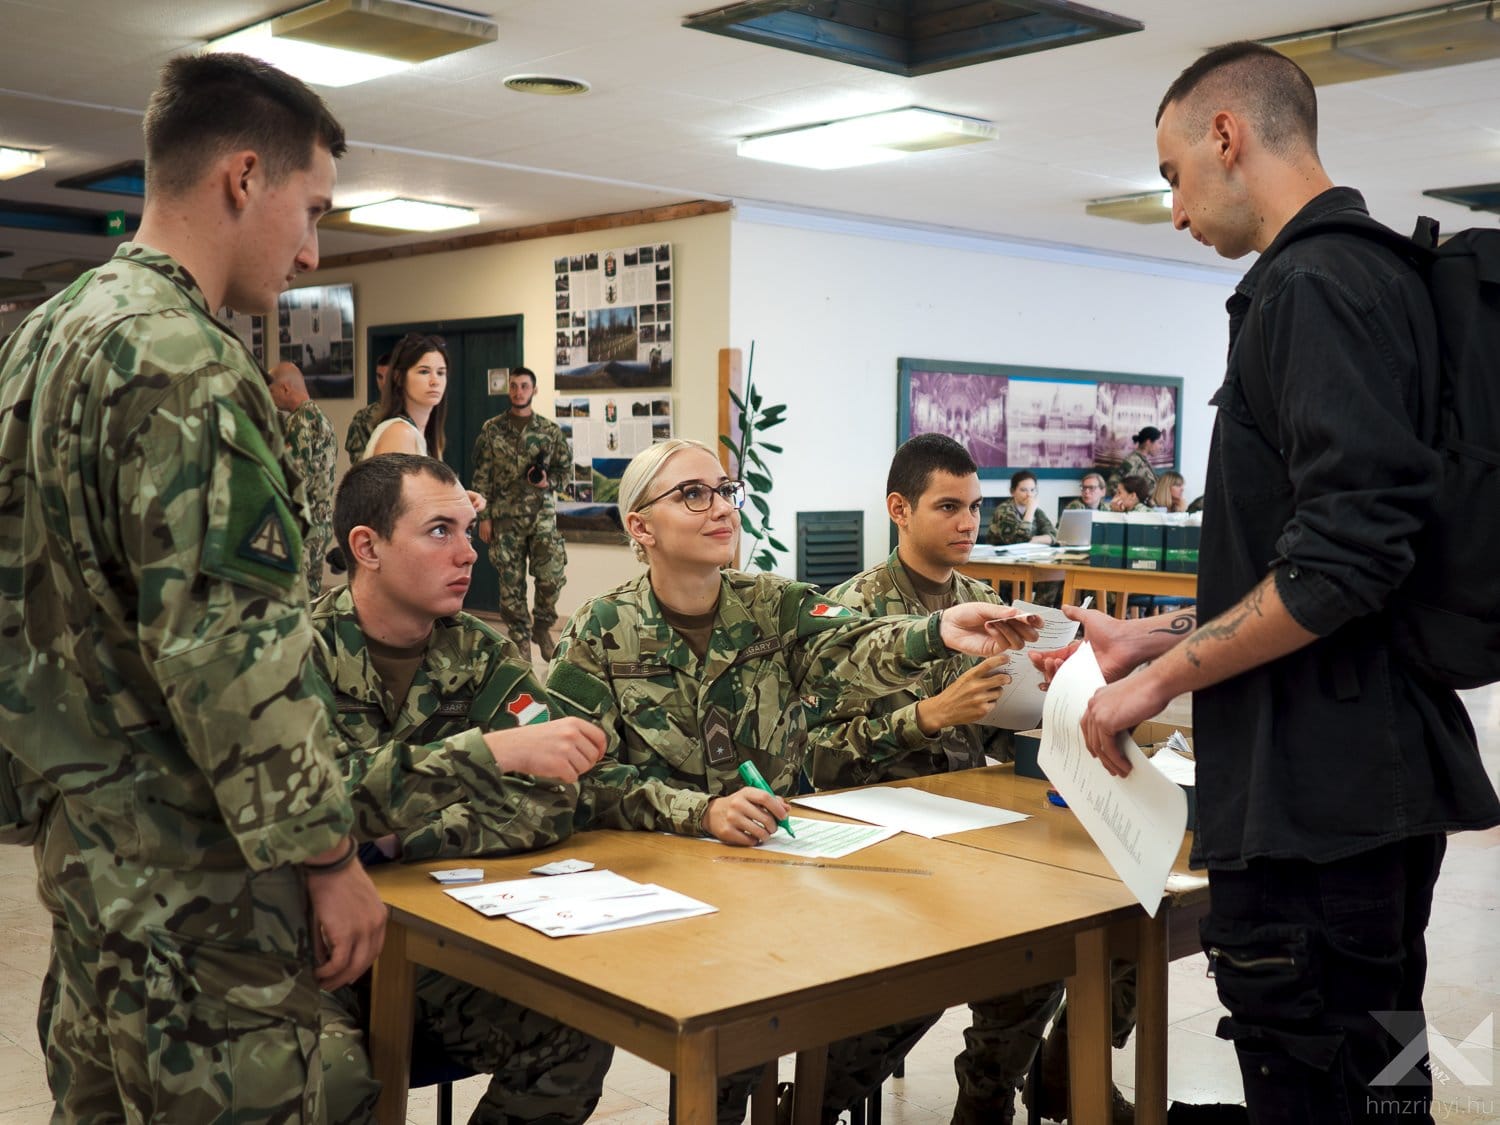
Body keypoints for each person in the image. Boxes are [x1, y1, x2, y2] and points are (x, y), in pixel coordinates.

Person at [1034, 41, 1500, 1122]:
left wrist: (1153, 687)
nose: (1176, 209)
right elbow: (1327, 559)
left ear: (1227, 137)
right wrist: (1162, 639)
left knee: (1321, 1083)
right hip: (1368, 792)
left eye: (1173, 176)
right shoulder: (1380, 274)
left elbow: (1348, 557)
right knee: (1387, 1067)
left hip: (1316, 808)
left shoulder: (1311, 285)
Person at [0, 52, 386, 1122]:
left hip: (86, 849)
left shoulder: (44, 337)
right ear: (243, 177)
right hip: (198, 873)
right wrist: (329, 854)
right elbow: (229, 648)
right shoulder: (187, 365)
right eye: (310, 211)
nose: (311, 250)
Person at [544, 438, 1040, 1125]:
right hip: (655, 880)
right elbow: (575, 774)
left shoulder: (771, 605)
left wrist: (936, 631)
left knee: (942, 947)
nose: (720, 507)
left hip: (776, 874)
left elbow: (855, 643)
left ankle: (809, 1102)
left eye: (724, 490)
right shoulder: (600, 631)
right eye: (694, 494)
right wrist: (699, 810)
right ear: (641, 527)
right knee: (727, 1037)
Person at [311, 453, 613, 1125]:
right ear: (368, 547)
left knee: (572, 1034)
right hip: (306, 945)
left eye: (469, 530)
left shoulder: (478, 652)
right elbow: (316, 806)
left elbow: (557, 794)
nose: (469, 553)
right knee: (330, 1085)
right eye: (440, 530)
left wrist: (399, 837)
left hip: (431, 937)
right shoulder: (296, 653)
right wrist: (492, 753)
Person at [808, 435, 1084, 1125]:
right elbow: (810, 758)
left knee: (1044, 941)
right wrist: (923, 719)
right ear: (900, 509)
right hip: (876, 839)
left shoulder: (985, 602)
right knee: (927, 964)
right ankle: (814, 1102)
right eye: (949, 506)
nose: (969, 523)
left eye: (977, 506)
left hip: (970, 824)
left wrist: (1054, 697)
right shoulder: (850, 611)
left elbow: (1000, 727)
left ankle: (987, 1097)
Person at [471, 367, 572, 661]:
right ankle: (521, 643)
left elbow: (564, 473)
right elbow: (482, 476)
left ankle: (542, 626)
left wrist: (546, 482)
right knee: (510, 586)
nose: (518, 391)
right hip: (504, 518)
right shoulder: (492, 429)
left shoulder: (550, 431)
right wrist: (484, 516)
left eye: (524, 386)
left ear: (534, 390)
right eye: (514, 386)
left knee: (550, 578)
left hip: (541, 517)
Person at [268, 359, 337, 594]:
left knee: (297, 594)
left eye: (272, 391)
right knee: (312, 592)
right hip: (321, 520)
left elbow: (294, 480)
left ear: (285, 388)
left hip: (303, 523)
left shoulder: (299, 423)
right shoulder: (322, 419)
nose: (271, 398)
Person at [366, 332, 448, 459]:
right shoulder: (399, 433)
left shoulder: (428, 437)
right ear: (398, 377)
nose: (435, 381)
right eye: (424, 371)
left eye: (441, 373)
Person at [987, 469, 1057, 546]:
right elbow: (1019, 543)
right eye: (1024, 490)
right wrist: (1030, 510)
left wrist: (1035, 539)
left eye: (1032, 490)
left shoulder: (1036, 511)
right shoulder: (1004, 510)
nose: (1029, 495)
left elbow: (1054, 534)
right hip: (1001, 555)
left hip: (1029, 554)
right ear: (1012, 492)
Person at [344, 349, 390, 465]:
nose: (384, 383)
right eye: (380, 377)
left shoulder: (413, 412)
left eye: (389, 377)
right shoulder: (363, 418)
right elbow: (359, 465)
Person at [1108, 427, 1161, 494]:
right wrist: (1131, 501)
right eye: (1159, 443)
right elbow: (1113, 485)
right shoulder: (1132, 461)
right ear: (1148, 442)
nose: (1160, 447)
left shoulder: (1143, 460)